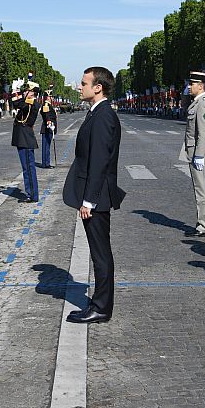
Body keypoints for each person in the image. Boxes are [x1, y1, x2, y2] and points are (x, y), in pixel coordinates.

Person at [63, 67, 125, 324]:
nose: (80, 86)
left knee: (100, 253)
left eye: (84, 82)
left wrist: (89, 200)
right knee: (99, 251)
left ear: (98, 87)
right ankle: (100, 301)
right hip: (96, 194)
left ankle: (101, 307)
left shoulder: (102, 116)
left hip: (97, 198)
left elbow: (99, 161)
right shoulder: (97, 113)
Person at [179, 70, 205, 237]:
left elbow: (204, 132)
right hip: (195, 151)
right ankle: (203, 223)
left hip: (199, 153)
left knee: (202, 191)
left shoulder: (204, 104)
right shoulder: (196, 102)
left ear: (200, 86)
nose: (189, 87)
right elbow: (183, 104)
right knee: (200, 190)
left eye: (191, 84)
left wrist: (199, 155)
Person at [11, 84, 40, 202]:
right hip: (22, 138)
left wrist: (15, 93)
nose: (23, 93)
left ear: (32, 93)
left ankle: (32, 195)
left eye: (26, 91)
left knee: (28, 168)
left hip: (25, 139)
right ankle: (31, 193)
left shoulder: (32, 104)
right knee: (26, 168)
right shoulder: (27, 103)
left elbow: (17, 104)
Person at [40, 92, 57, 168]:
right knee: (46, 147)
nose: (52, 98)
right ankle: (46, 163)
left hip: (49, 127)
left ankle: (46, 162)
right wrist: (49, 124)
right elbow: (47, 115)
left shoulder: (49, 105)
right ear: (47, 97)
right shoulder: (46, 105)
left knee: (47, 146)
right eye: (51, 96)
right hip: (47, 128)